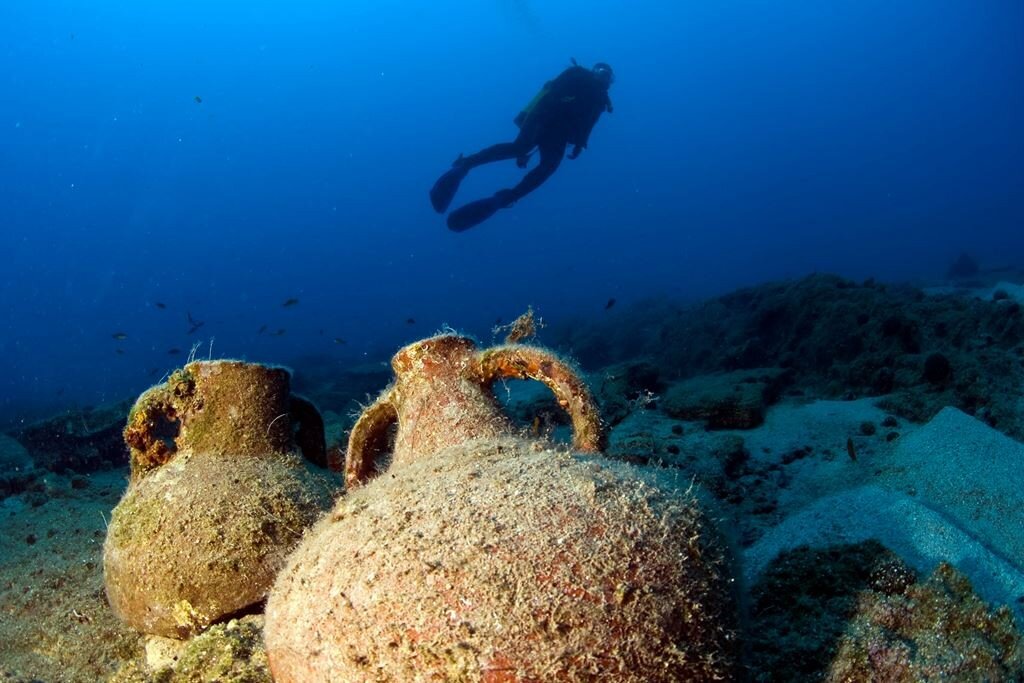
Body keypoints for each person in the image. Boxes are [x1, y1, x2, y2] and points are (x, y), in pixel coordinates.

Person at [430, 61, 614, 232]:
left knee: (548, 166)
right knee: (520, 148)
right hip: (542, 119)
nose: (605, 78)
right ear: (593, 71)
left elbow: (590, 123)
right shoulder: (577, 77)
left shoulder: (600, 100)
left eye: (608, 76)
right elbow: (550, 94)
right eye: (602, 72)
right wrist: (528, 118)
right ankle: (466, 165)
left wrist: (580, 144)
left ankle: (506, 196)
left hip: (558, 134)